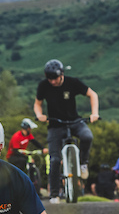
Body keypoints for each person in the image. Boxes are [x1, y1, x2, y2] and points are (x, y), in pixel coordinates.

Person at [34, 59, 99, 202]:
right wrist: (40, 115)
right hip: (55, 125)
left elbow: (92, 94)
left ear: (61, 74)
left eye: (55, 78)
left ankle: (83, 163)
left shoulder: (72, 82)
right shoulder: (43, 86)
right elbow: (37, 104)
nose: (52, 81)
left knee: (87, 136)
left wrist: (94, 113)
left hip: (75, 121)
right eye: (49, 78)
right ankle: (55, 194)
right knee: (55, 160)